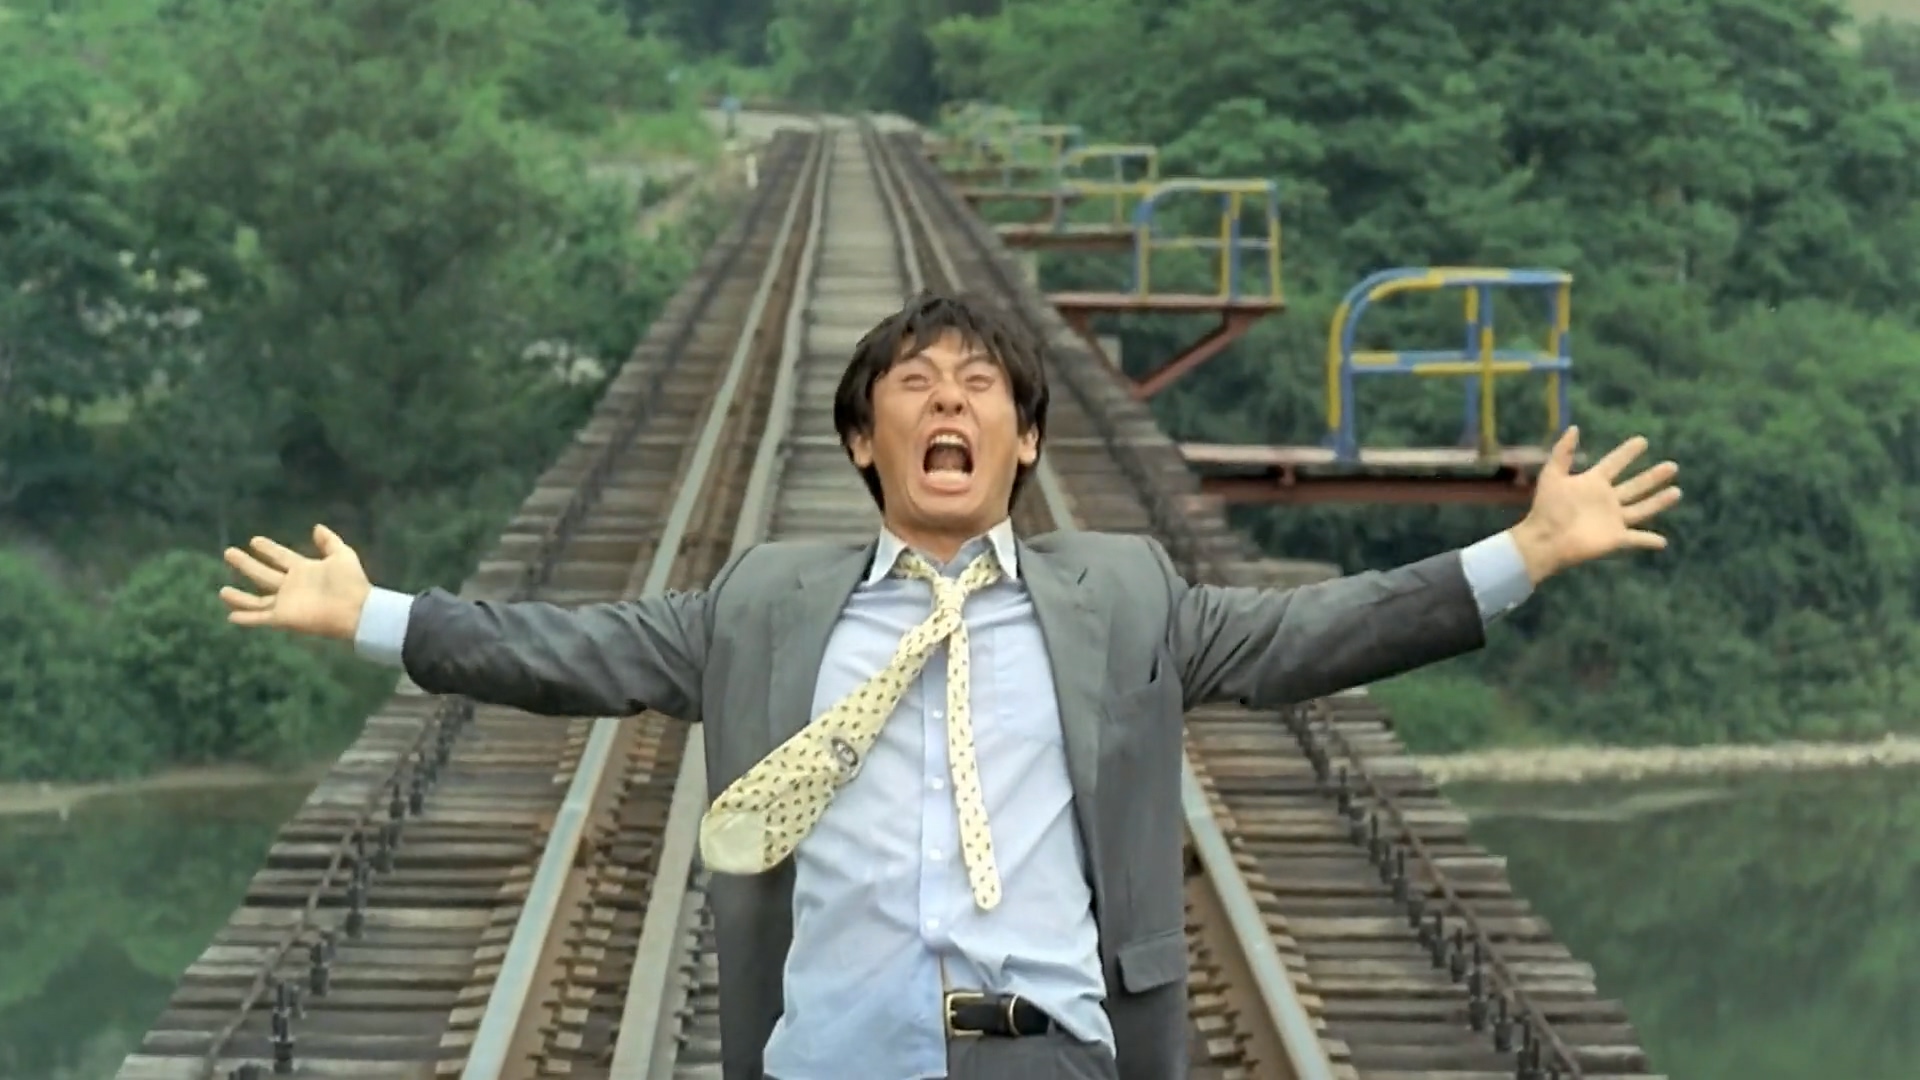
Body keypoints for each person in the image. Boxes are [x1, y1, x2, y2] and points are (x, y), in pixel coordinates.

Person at [220, 291, 1680, 1080]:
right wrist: (376, 617)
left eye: (983, 385)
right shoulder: (764, 606)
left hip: (1041, 1060)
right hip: (835, 1057)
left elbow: (1313, 637)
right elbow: (569, 653)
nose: (948, 402)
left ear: (1026, 444)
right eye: (914, 383)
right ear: (865, 442)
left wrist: (1520, 555)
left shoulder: (1120, 596)